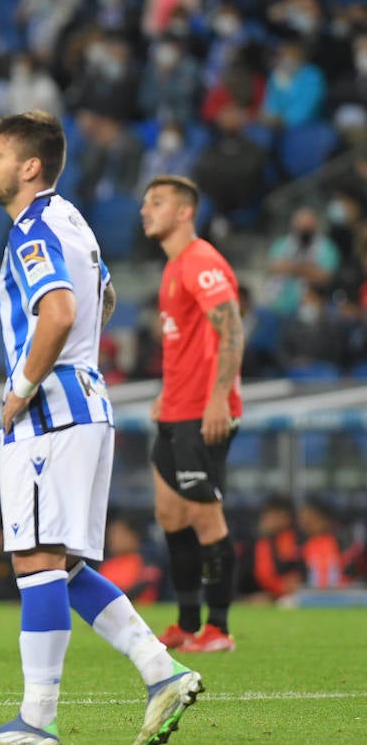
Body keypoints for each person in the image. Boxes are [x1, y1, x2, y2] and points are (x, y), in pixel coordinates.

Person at [0, 112, 202, 745]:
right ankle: (162, 671)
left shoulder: (33, 229)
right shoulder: (75, 221)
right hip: (90, 404)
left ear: (28, 167)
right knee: (62, 567)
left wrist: (22, 388)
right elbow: (104, 298)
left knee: (36, 562)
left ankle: (36, 721)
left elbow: (60, 312)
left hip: (52, 414)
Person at [140, 175, 244, 654]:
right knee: (170, 512)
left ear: (185, 212)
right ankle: (185, 623)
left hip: (204, 412)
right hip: (176, 408)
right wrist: (167, 391)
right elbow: (187, 343)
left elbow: (232, 328)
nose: (146, 210)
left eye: (157, 203)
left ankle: (218, 628)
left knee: (205, 516)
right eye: (146, 203)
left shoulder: (201, 261)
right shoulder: (173, 267)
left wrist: (220, 397)